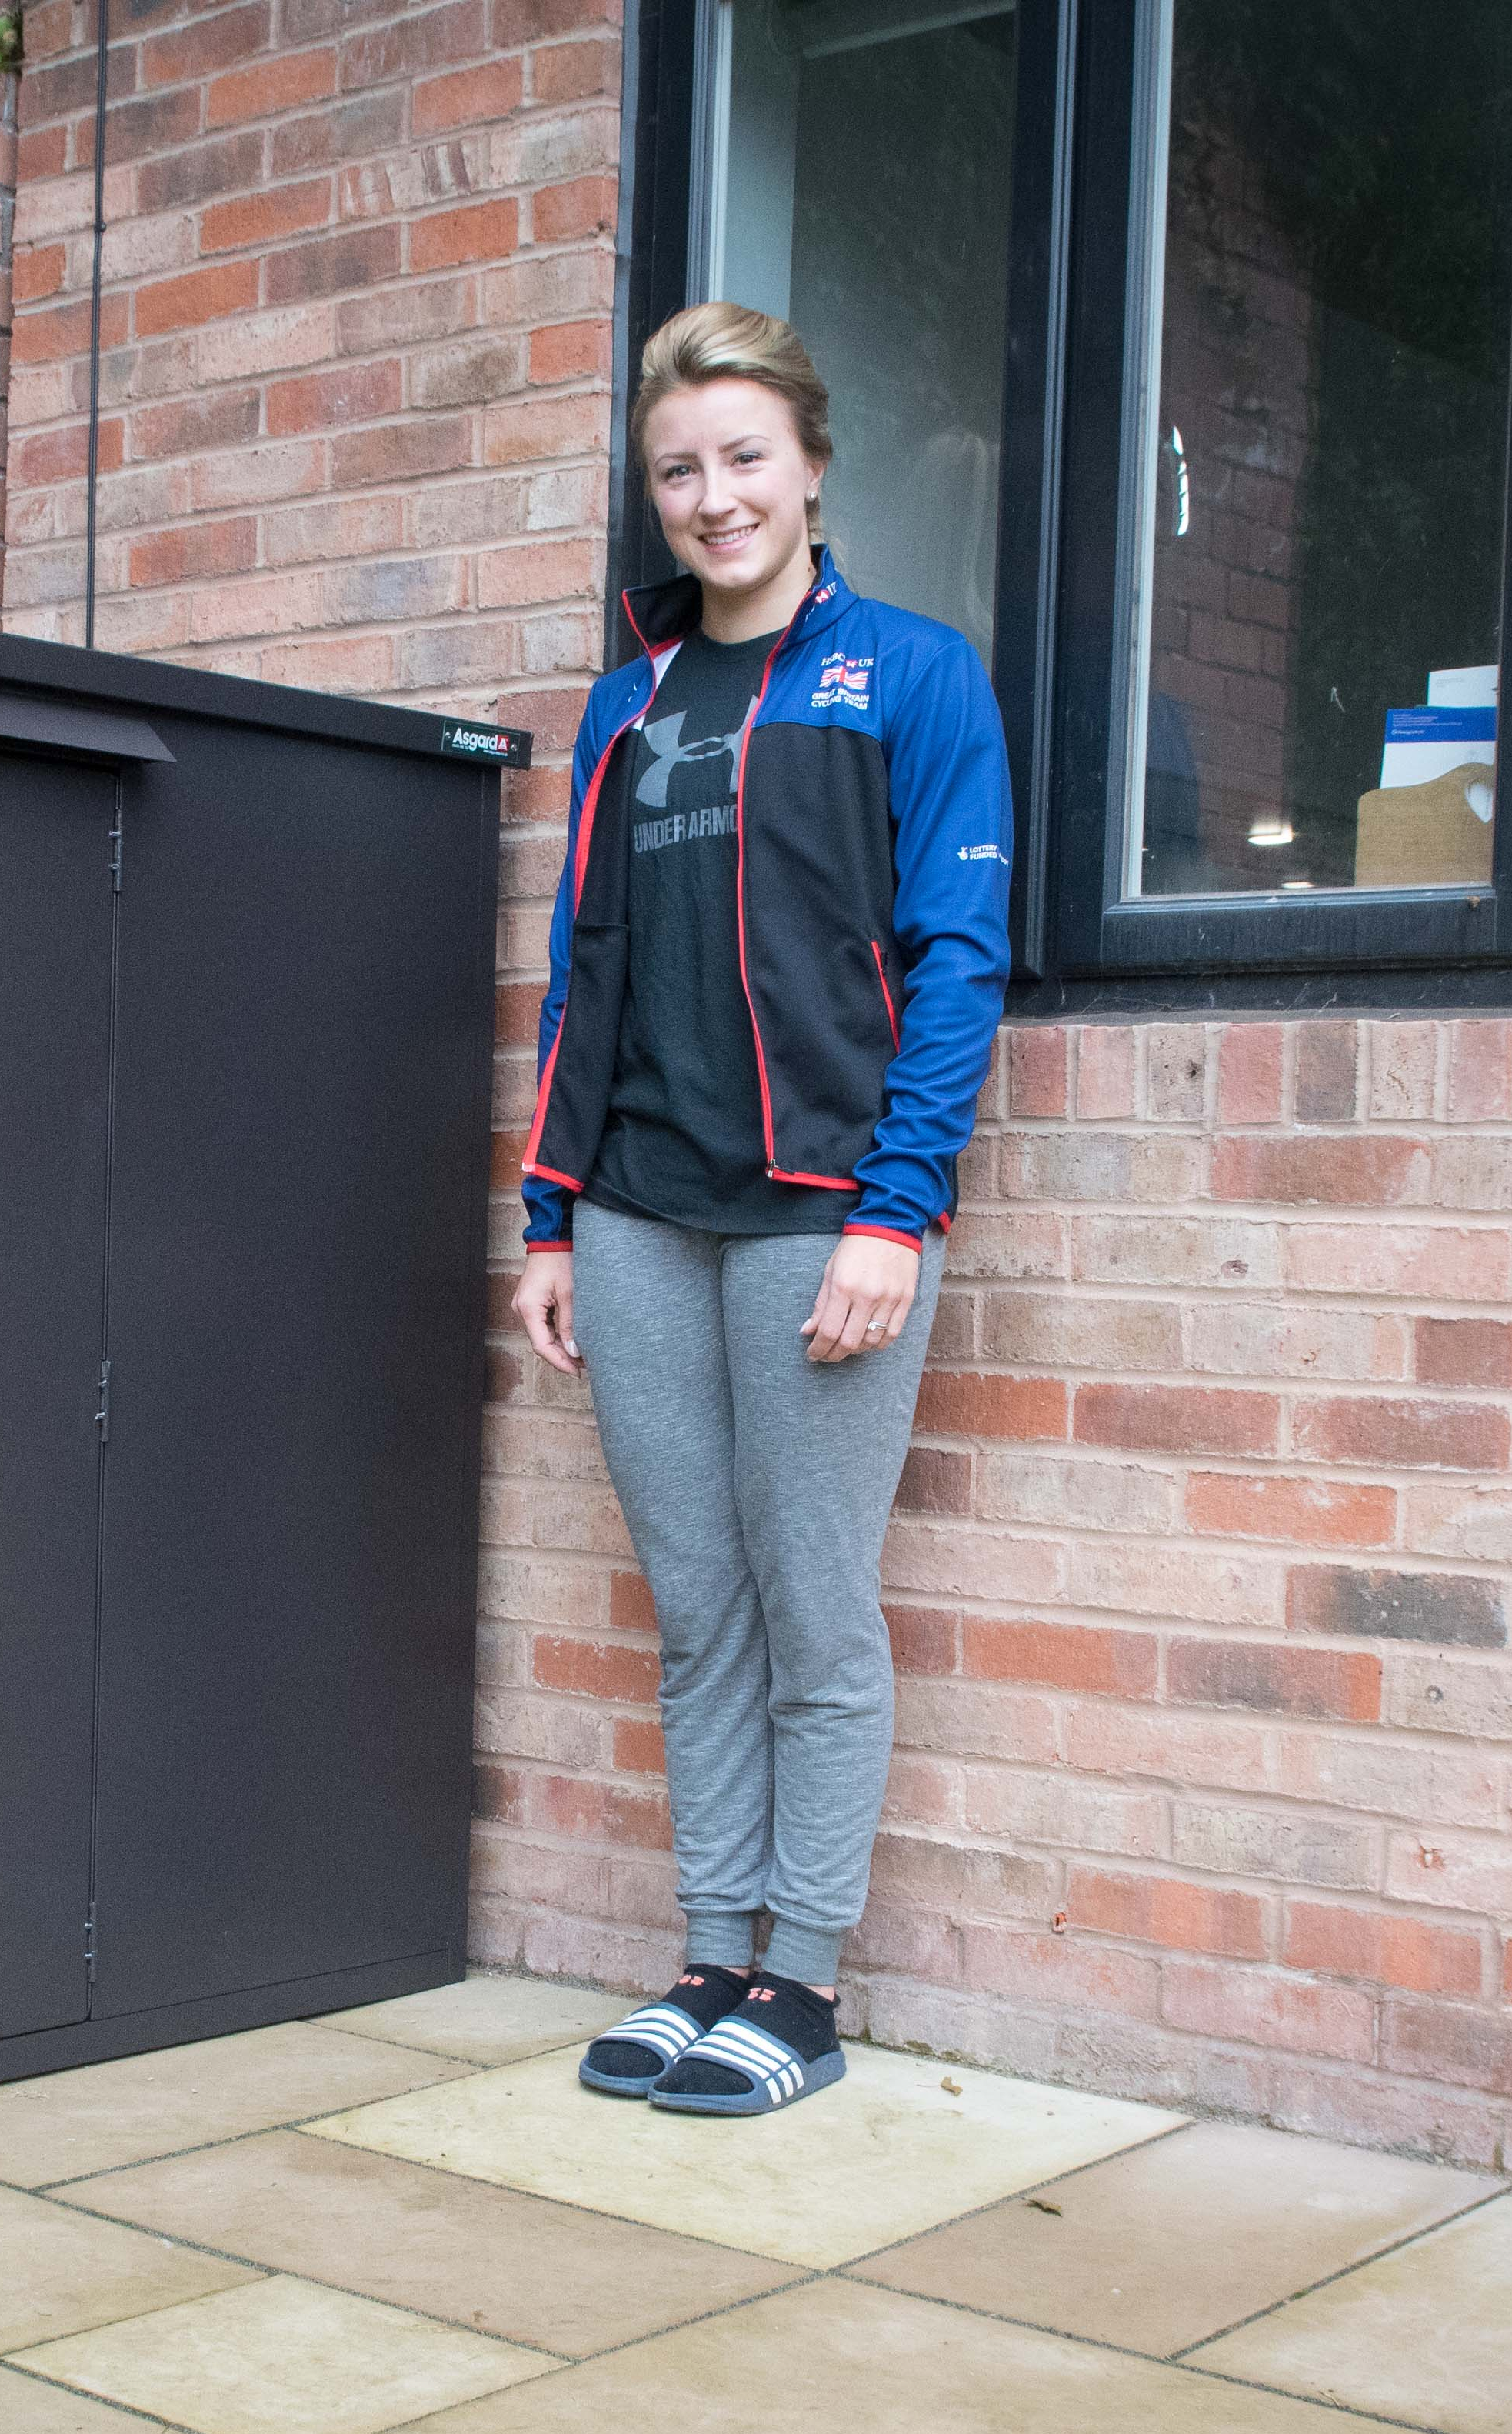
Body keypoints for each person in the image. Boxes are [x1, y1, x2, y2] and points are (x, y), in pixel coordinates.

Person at [510, 302, 1011, 2119]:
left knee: (814, 1603)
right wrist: (550, 1210)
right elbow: (586, 968)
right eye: (677, 471)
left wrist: (900, 1209)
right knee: (700, 1608)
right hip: (642, 1213)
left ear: (810, 464)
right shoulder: (628, 702)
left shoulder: (912, 676)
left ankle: (799, 1979)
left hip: (821, 1211)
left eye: (741, 458)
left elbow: (960, 963)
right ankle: (708, 1954)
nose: (712, 497)